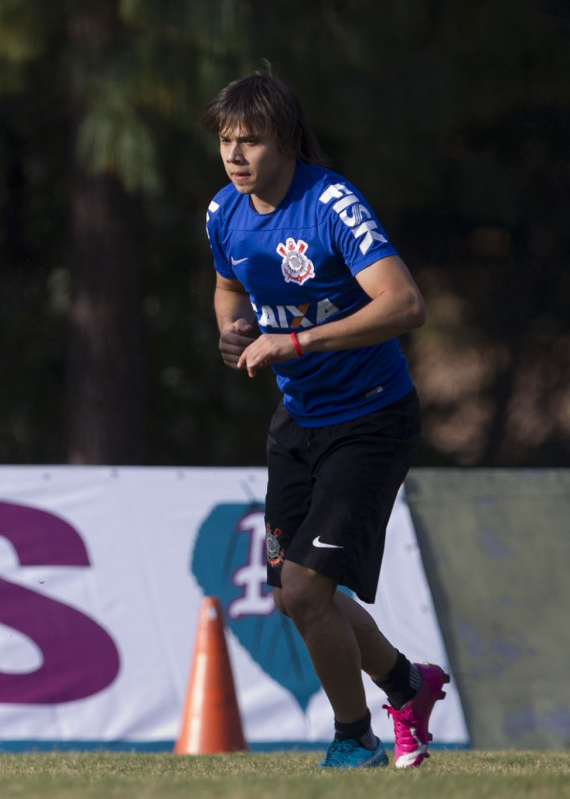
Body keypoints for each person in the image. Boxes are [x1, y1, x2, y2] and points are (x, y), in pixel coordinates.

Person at [199, 70, 449, 770]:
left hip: (371, 418)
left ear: (287, 139)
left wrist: (297, 341)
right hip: (299, 420)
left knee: (308, 589)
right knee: (293, 598)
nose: (235, 155)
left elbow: (404, 304)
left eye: (250, 140)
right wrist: (232, 327)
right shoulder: (224, 212)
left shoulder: (331, 203)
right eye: (226, 140)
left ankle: (355, 738)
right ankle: (407, 683)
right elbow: (226, 287)